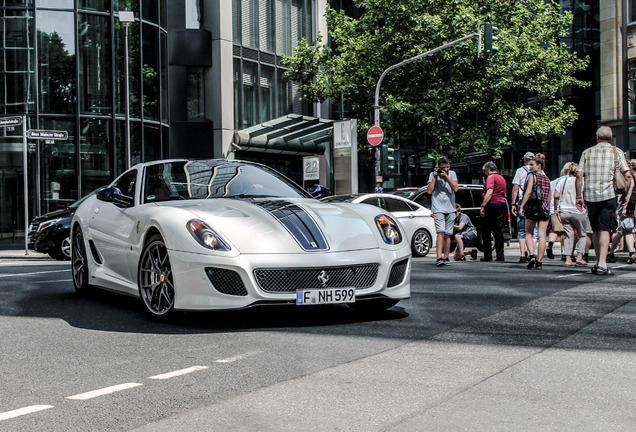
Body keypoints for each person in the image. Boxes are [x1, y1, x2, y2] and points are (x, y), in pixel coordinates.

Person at [576, 126, 632, 275]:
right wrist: (626, 195)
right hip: (609, 195)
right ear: (611, 138)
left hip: (590, 196)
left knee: (595, 228)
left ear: (597, 137)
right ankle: (602, 263)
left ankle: (597, 263)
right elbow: (627, 175)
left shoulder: (587, 152)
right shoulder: (617, 152)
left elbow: (579, 175)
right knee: (605, 228)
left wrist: (578, 196)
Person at [553, 162, 590, 267]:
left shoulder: (562, 181)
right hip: (578, 211)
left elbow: (556, 195)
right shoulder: (582, 181)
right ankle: (579, 257)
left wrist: (556, 208)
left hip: (564, 211)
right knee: (582, 234)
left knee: (569, 235)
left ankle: (568, 259)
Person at [519, 155, 551, 269]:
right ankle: (540, 262)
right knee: (542, 236)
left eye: (532, 165)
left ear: (539, 165)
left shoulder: (533, 176)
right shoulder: (547, 179)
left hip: (533, 208)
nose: (530, 167)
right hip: (545, 209)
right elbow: (548, 197)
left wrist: (522, 206)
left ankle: (532, 255)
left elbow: (528, 193)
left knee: (529, 233)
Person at [427, 157, 459, 266]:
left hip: (450, 208)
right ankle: (439, 257)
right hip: (437, 207)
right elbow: (429, 190)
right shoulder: (433, 174)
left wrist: (446, 177)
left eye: (446, 168)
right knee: (440, 232)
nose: (444, 170)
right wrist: (435, 177)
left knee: (448, 234)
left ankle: (446, 257)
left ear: (449, 167)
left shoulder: (452, 174)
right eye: (442, 168)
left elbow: (455, 188)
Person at [608, 159, 636, 264]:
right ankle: (611, 253)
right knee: (622, 231)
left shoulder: (631, 178)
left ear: (631, 167)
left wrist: (624, 206)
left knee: (625, 231)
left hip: (628, 206)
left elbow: (628, 194)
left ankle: (631, 253)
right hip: (633, 206)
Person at [479, 161, 508, 261]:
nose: (485, 173)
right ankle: (500, 255)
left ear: (489, 170)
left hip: (493, 204)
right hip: (502, 204)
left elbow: (489, 192)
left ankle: (488, 255)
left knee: (486, 230)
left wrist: (483, 205)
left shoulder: (491, 177)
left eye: (484, 171)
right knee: (498, 230)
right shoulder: (502, 178)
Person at [511, 152, 537, 263]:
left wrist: (513, 203)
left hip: (523, 201)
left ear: (525, 160)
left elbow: (516, 187)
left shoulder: (520, 171)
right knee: (534, 229)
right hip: (535, 202)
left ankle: (522, 254)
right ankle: (532, 253)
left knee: (522, 229)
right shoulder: (539, 171)